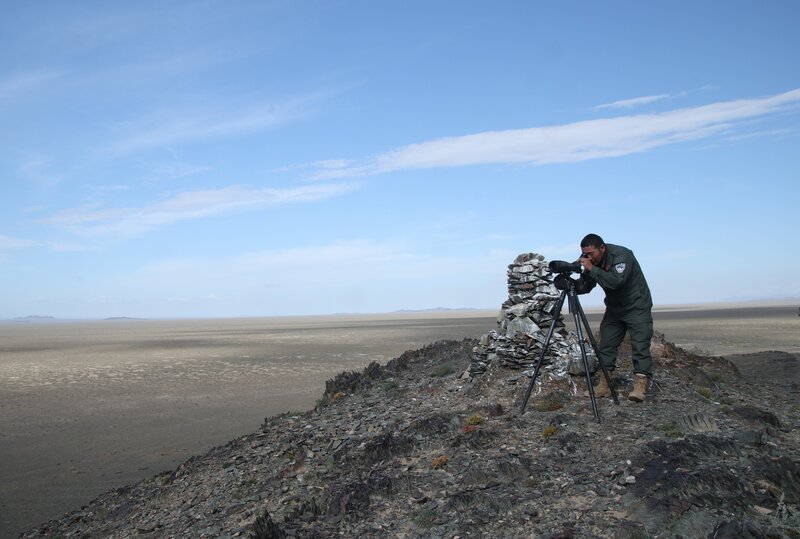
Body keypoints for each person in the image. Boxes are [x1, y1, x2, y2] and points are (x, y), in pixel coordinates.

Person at [574, 233, 653, 402]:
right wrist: (570, 282)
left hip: (636, 306)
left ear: (602, 248)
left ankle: (640, 387)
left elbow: (616, 281)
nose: (589, 258)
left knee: (640, 345)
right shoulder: (592, 261)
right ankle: (604, 385)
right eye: (585, 255)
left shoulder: (622, 255)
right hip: (615, 308)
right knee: (606, 344)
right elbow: (586, 286)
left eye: (592, 254)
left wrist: (591, 268)